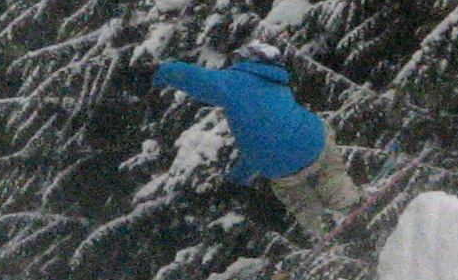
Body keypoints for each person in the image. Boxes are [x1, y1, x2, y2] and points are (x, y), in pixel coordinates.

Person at [152, 48, 361, 237]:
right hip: (313, 142)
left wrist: (160, 70)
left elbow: (196, 78)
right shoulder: (279, 86)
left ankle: (322, 227)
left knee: (297, 197)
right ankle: (347, 201)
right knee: (329, 169)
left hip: (276, 166)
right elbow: (276, 136)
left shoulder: (236, 81)